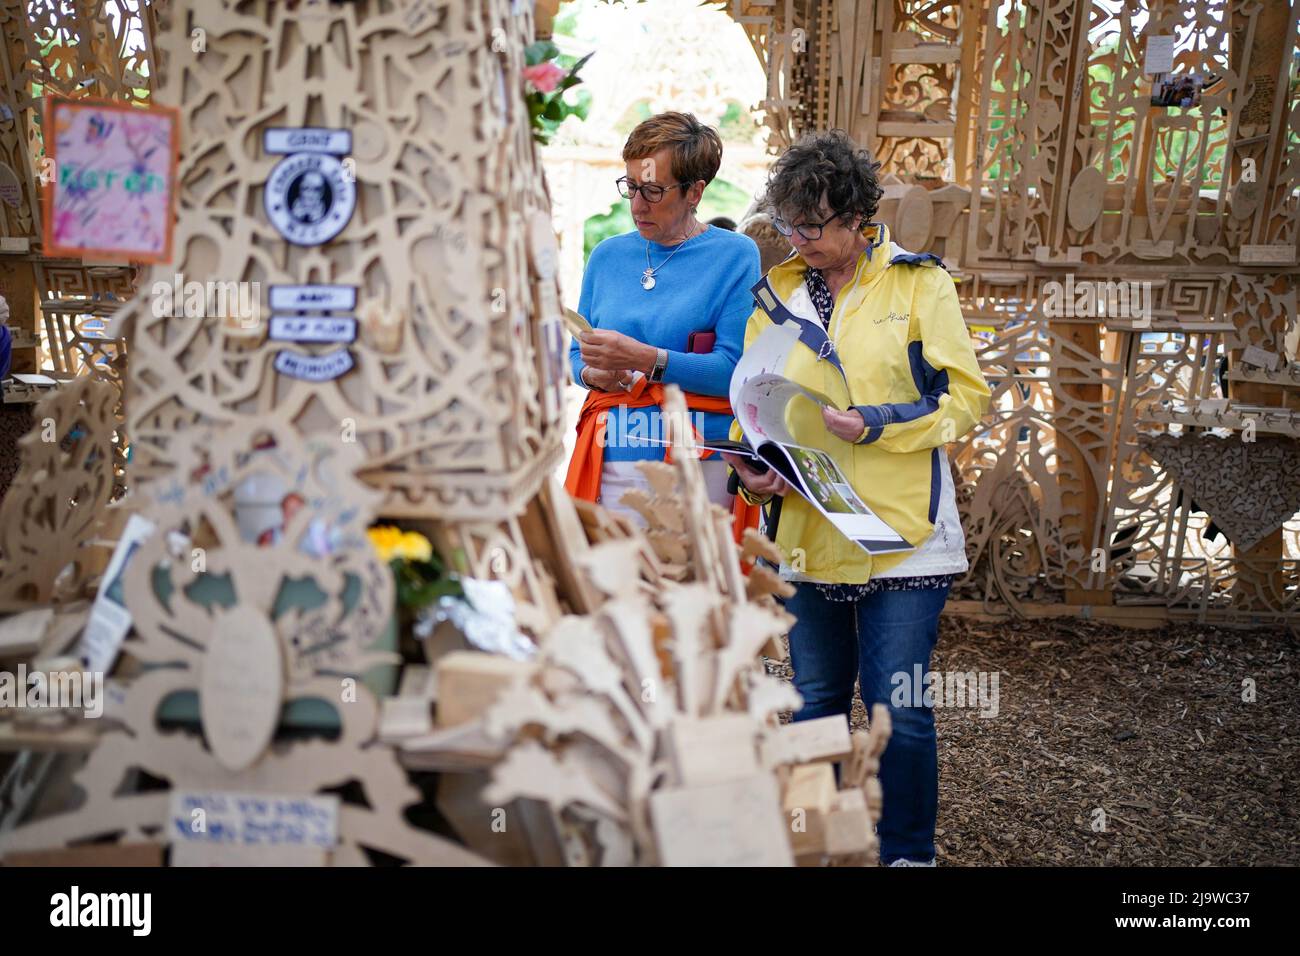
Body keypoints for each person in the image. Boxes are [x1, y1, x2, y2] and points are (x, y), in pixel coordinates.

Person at [725, 130, 991, 866]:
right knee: (811, 705)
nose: (799, 239)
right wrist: (754, 467)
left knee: (897, 711)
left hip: (901, 536)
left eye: (814, 225)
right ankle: (812, 845)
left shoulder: (919, 284)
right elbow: (756, 398)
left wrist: (877, 423)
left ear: (857, 218)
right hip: (808, 530)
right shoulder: (773, 293)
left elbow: (965, 399)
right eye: (788, 224)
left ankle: (906, 853)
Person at [565, 112, 760, 529]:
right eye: (631, 187)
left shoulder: (735, 255)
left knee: (695, 590)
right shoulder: (606, 256)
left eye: (652, 190)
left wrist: (645, 359)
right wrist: (591, 374)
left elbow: (734, 371)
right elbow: (574, 353)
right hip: (609, 457)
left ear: (695, 191)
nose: (637, 205)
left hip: (698, 464)